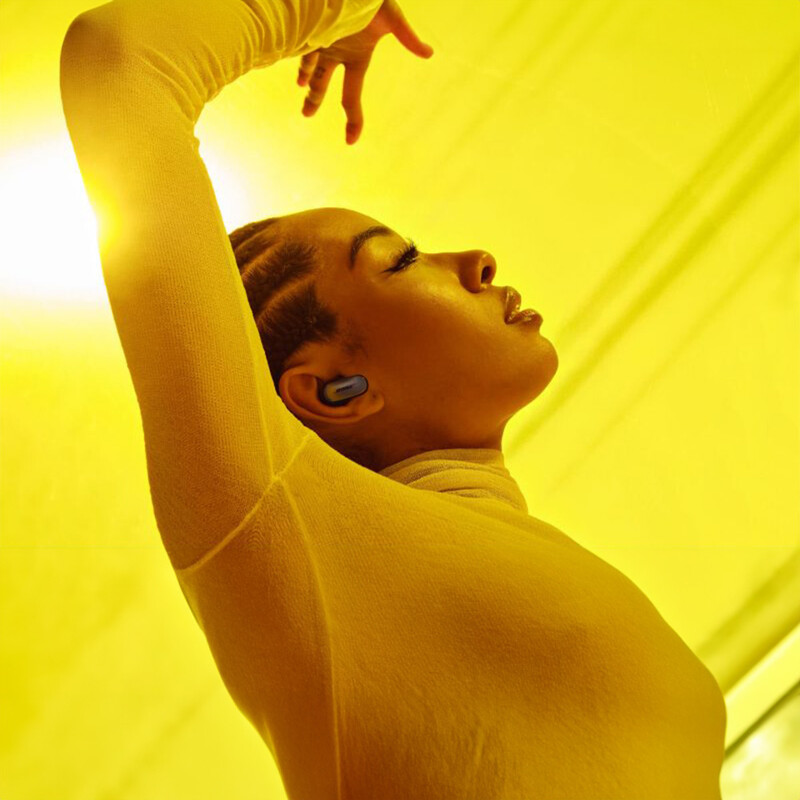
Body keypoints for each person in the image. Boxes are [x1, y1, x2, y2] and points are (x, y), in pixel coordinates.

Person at [60, 1, 727, 798]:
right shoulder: (287, 521)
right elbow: (119, 62)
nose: (476, 259)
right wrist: (323, 11)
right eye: (402, 261)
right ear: (332, 391)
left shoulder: (502, 549)